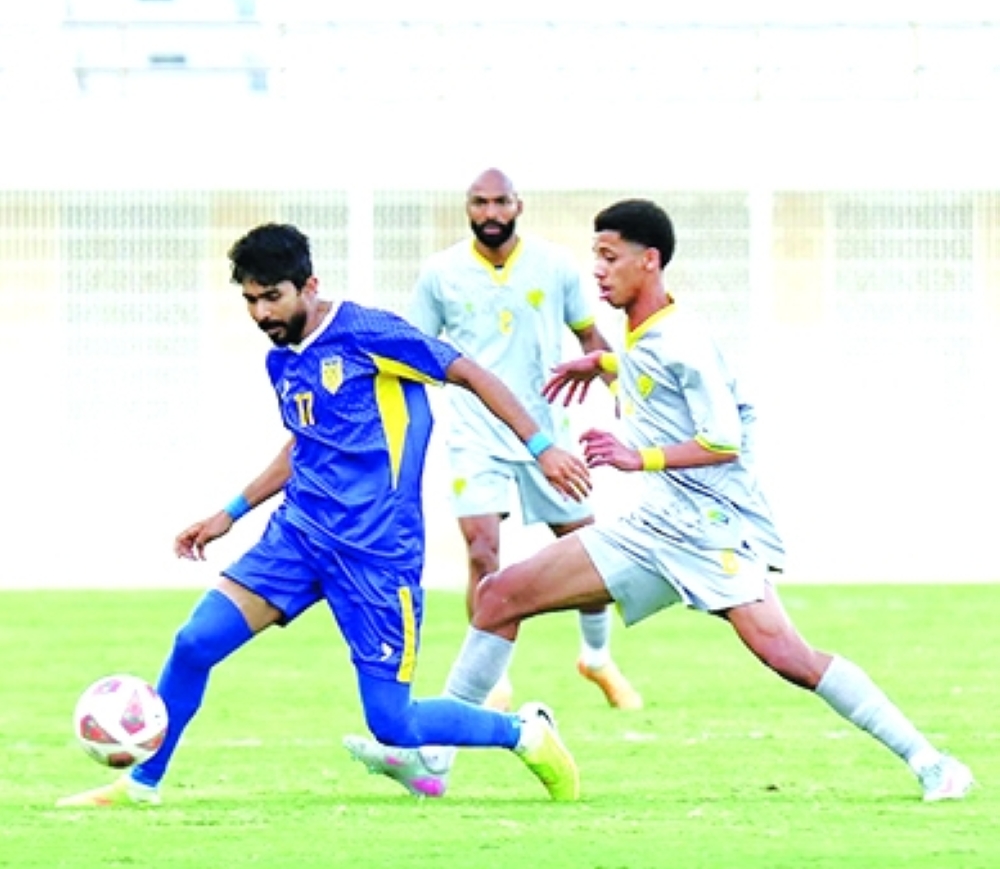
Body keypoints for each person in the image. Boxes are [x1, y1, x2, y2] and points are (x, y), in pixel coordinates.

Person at [345, 199, 974, 803]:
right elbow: (655, 381)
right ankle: (434, 759)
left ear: (649, 261)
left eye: (610, 256)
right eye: (594, 255)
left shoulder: (683, 338)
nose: (597, 269)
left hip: (711, 533)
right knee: (500, 595)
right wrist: (608, 368)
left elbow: (724, 440)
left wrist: (633, 456)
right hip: (651, 527)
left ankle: (933, 762)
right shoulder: (644, 335)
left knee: (790, 658)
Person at [57, 221, 586, 808]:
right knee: (194, 644)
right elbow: (305, 443)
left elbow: (469, 372)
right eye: (250, 300)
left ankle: (525, 733)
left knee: (394, 723)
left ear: (309, 285)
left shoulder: (368, 333)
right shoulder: (281, 361)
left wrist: (543, 448)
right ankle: (140, 785)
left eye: (271, 297)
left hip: (375, 556)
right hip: (298, 540)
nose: (260, 313)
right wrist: (230, 512)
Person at [406, 167, 642, 712]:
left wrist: (625, 395)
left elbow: (588, 336)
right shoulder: (441, 273)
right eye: (479, 203)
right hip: (474, 433)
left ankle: (596, 657)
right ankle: (491, 681)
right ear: (467, 208)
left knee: (586, 546)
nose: (490, 214)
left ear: (519, 205)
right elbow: (415, 351)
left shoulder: (554, 265)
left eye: (500, 202)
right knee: (483, 551)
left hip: (548, 432)